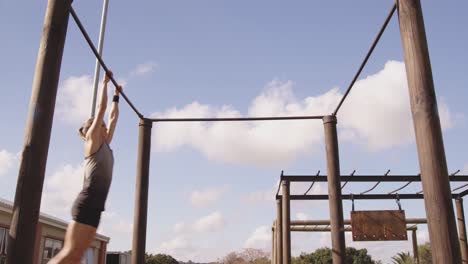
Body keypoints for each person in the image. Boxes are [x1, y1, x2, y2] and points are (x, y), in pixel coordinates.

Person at [50, 71, 121, 263]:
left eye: (105, 127)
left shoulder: (106, 143)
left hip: (97, 206)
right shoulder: (92, 142)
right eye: (102, 126)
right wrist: (105, 83)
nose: (106, 127)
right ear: (94, 129)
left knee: (76, 256)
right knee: (69, 253)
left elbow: (113, 117)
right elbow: (101, 109)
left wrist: (117, 95)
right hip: (87, 202)